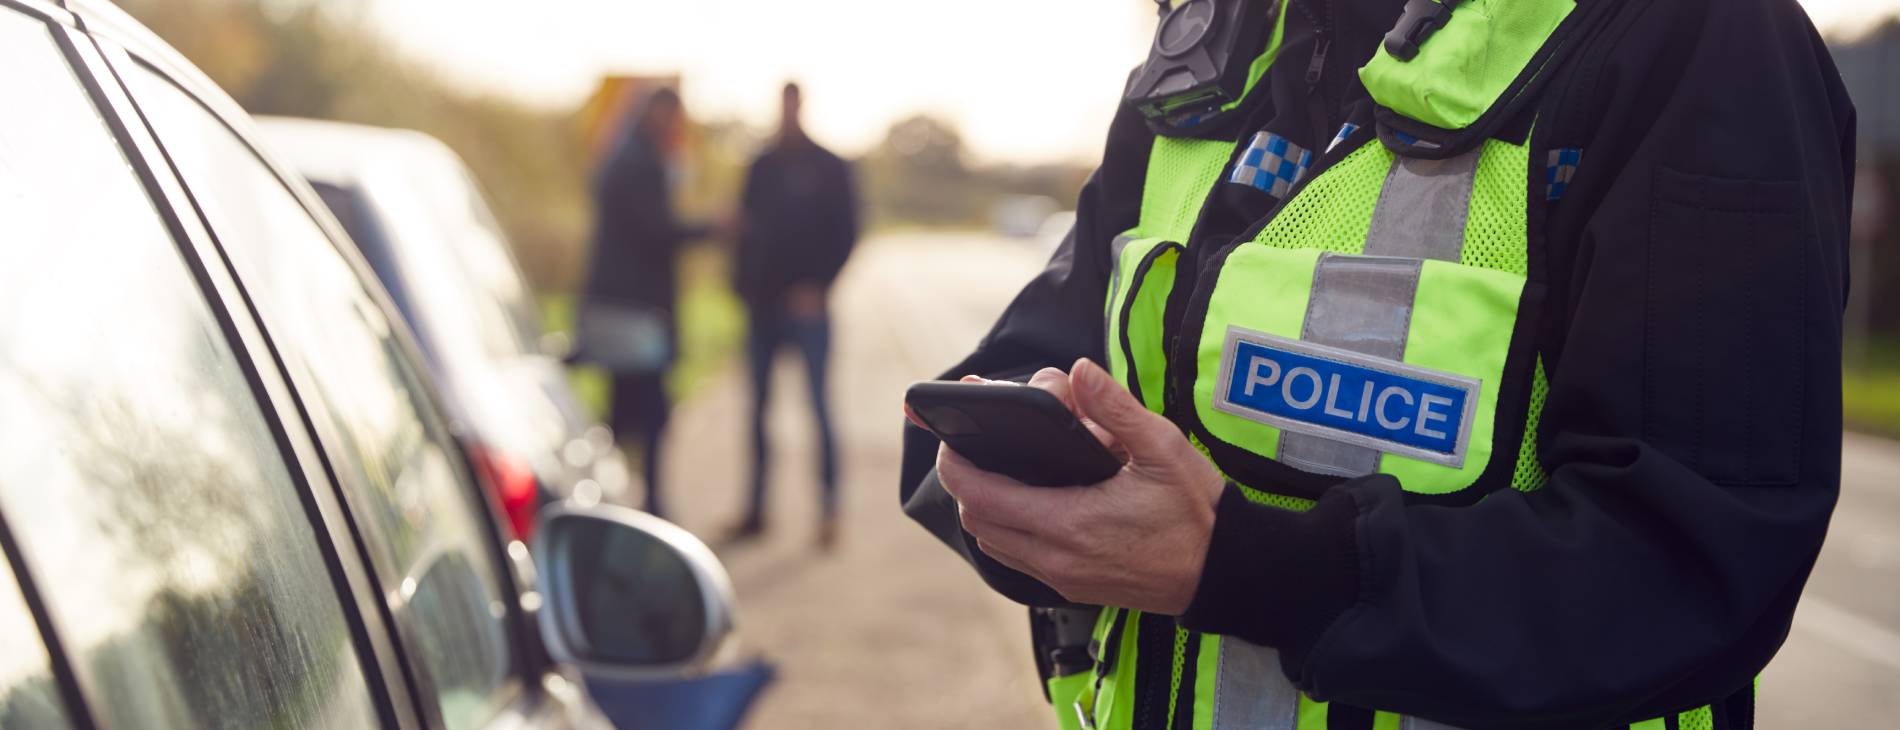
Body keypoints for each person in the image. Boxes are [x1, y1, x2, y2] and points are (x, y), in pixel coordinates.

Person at [899, 0, 1853, 728]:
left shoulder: (1698, 39)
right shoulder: (1213, 49)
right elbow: (1031, 355)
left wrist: (1238, 565)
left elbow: (1691, 566)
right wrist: (1023, 491)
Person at [730, 82, 859, 548]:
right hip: (762, 307)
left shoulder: (829, 166)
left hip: (808, 309)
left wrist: (819, 286)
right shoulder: (761, 165)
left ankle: (829, 512)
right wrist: (741, 288)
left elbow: (848, 233)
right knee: (757, 410)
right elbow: (743, 227)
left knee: (819, 408)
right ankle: (756, 510)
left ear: (801, 106)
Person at [579, 87, 708, 519]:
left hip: (626, 309)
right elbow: (657, 231)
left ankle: (620, 503)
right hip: (634, 313)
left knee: (629, 411)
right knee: (644, 414)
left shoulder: (627, 155)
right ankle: (639, 506)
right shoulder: (639, 161)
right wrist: (711, 228)